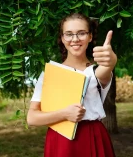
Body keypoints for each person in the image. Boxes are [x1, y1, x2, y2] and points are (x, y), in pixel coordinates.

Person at [27, 13, 117, 157]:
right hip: (59, 139)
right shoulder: (50, 74)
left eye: (81, 33)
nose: (75, 39)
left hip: (92, 136)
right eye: (69, 34)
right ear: (62, 38)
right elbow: (32, 118)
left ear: (90, 36)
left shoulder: (95, 72)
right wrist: (64, 114)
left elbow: (107, 67)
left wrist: (111, 60)